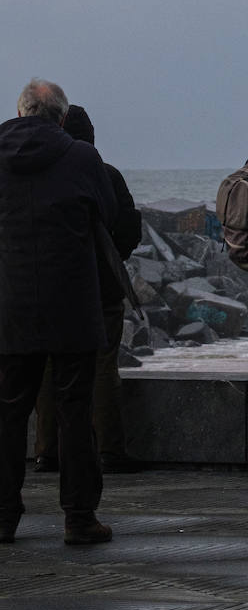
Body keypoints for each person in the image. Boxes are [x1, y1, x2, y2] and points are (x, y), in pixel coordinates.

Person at [0, 80, 116, 544]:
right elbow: (106, 215)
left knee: (8, 415)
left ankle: (4, 517)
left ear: (21, 111)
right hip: (71, 305)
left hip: (9, 305)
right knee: (74, 411)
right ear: (62, 117)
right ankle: (79, 518)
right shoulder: (83, 158)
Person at [33, 105, 144, 475]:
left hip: (48, 287)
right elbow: (129, 229)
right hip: (101, 289)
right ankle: (111, 449)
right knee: (101, 367)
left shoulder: (41, 172)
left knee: (49, 368)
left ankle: (47, 450)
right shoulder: (105, 174)